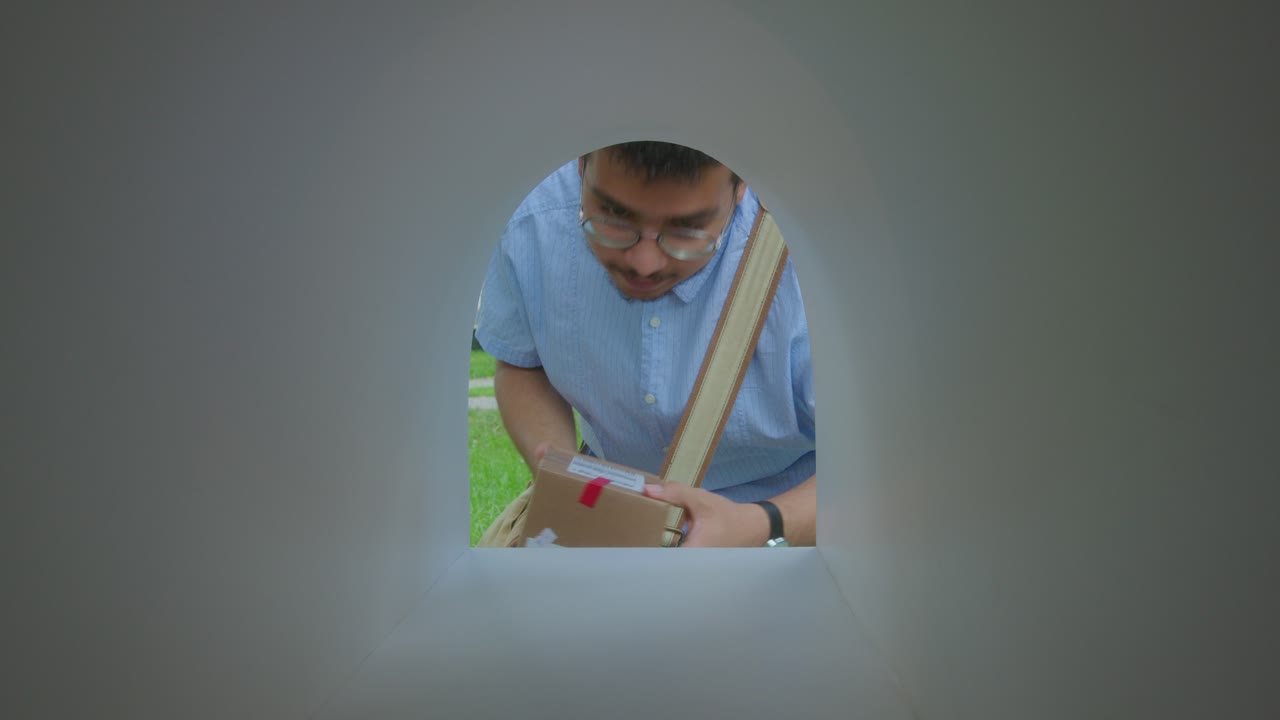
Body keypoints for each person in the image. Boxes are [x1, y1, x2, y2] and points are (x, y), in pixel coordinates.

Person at [475, 141, 815, 547]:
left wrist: (763, 524)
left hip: (782, 524)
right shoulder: (531, 220)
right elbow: (522, 364)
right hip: (603, 519)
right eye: (615, 218)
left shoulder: (813, 261)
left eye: (685, 230)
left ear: (741, 187)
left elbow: (885, 468)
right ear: (581, 166)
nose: (644, 263)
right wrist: (567, 482)